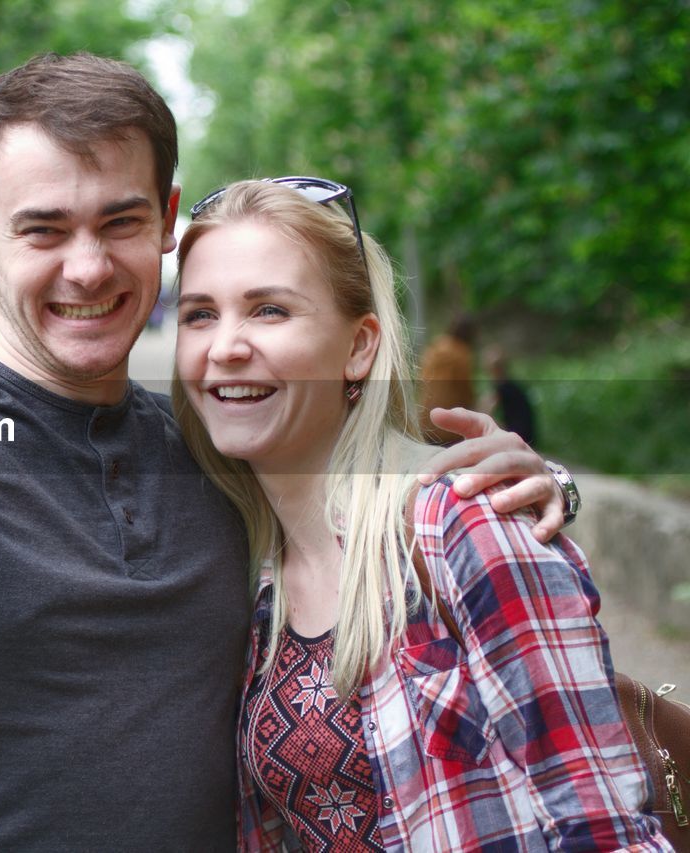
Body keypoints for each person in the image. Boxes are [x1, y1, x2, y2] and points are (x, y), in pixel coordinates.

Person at [0, 54, 570, 849]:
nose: (86, 267)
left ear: (167, 223)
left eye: (120, 222)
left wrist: (525, 486)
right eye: (44, 229)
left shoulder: (208, 437)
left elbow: (357, 504)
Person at [171, 178, 667, 850]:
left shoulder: (459, 524)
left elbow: (605, 829)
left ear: (359, 347)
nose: (225, 345)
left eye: (269, 310)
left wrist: (546, 486)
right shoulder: (254, 576)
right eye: (200, 314)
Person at [418, 313, 477, 444]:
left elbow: (422, 379)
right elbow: (465, 391)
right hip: (450, 424)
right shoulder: (462, 354)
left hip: (427, 420)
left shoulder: (435, 348)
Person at [484, 345, 538, 446]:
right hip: (525, 435)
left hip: (520, 436)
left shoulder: (502, 387)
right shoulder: (510, 385)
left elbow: (485, 412)